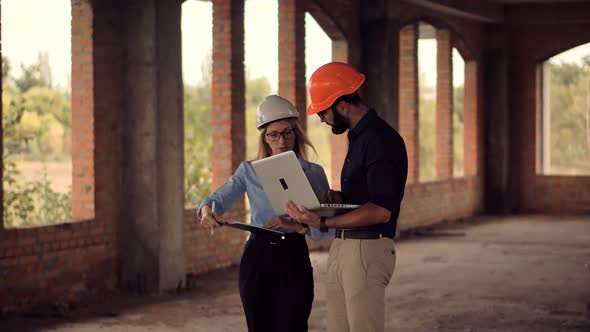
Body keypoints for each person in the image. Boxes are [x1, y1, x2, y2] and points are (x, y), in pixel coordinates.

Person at [285, 62, 408, 332]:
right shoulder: (359, 138)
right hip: (345, 247)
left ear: (342, 105)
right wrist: (337, 199)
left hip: (367, 249)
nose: (322, 120)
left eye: (323, 112)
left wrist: (324, 223)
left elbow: (381, 210)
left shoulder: (379, 141)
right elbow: (365, 197)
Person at [197, 94, 332, 332]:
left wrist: (294, 226)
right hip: (257, 258)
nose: (282, 140)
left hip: (293, 257)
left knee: (293, 326)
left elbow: (323, 231)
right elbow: (215, 201)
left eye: (287, 132)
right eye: (274, 134)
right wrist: (207, 211)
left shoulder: (314, 173)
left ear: (296, 133)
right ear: (265, 137)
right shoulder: (249, 171)